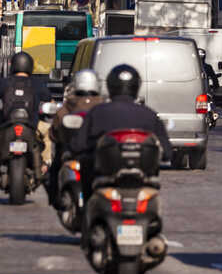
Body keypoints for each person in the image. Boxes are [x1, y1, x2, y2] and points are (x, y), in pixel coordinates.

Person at [70, 64, 172, 202]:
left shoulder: (98, 112)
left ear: (111, 86)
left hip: (101, 185)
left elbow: (79, 145)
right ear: (136, 87)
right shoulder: (150, 115)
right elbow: (167, 153)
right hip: (142, 190)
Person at [46, 68, 103, 204]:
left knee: (52, 172)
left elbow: (55, 132)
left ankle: (55, 199)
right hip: (96, 151)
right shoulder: (102, 105)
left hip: (70, 150)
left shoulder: (68, 105)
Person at [0, 51, 45, 174]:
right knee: (48, 135)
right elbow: (50, 101)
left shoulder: (4, 82)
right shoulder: (36, 83)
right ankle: (45, 165)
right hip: (32, 126)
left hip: (7, 125)